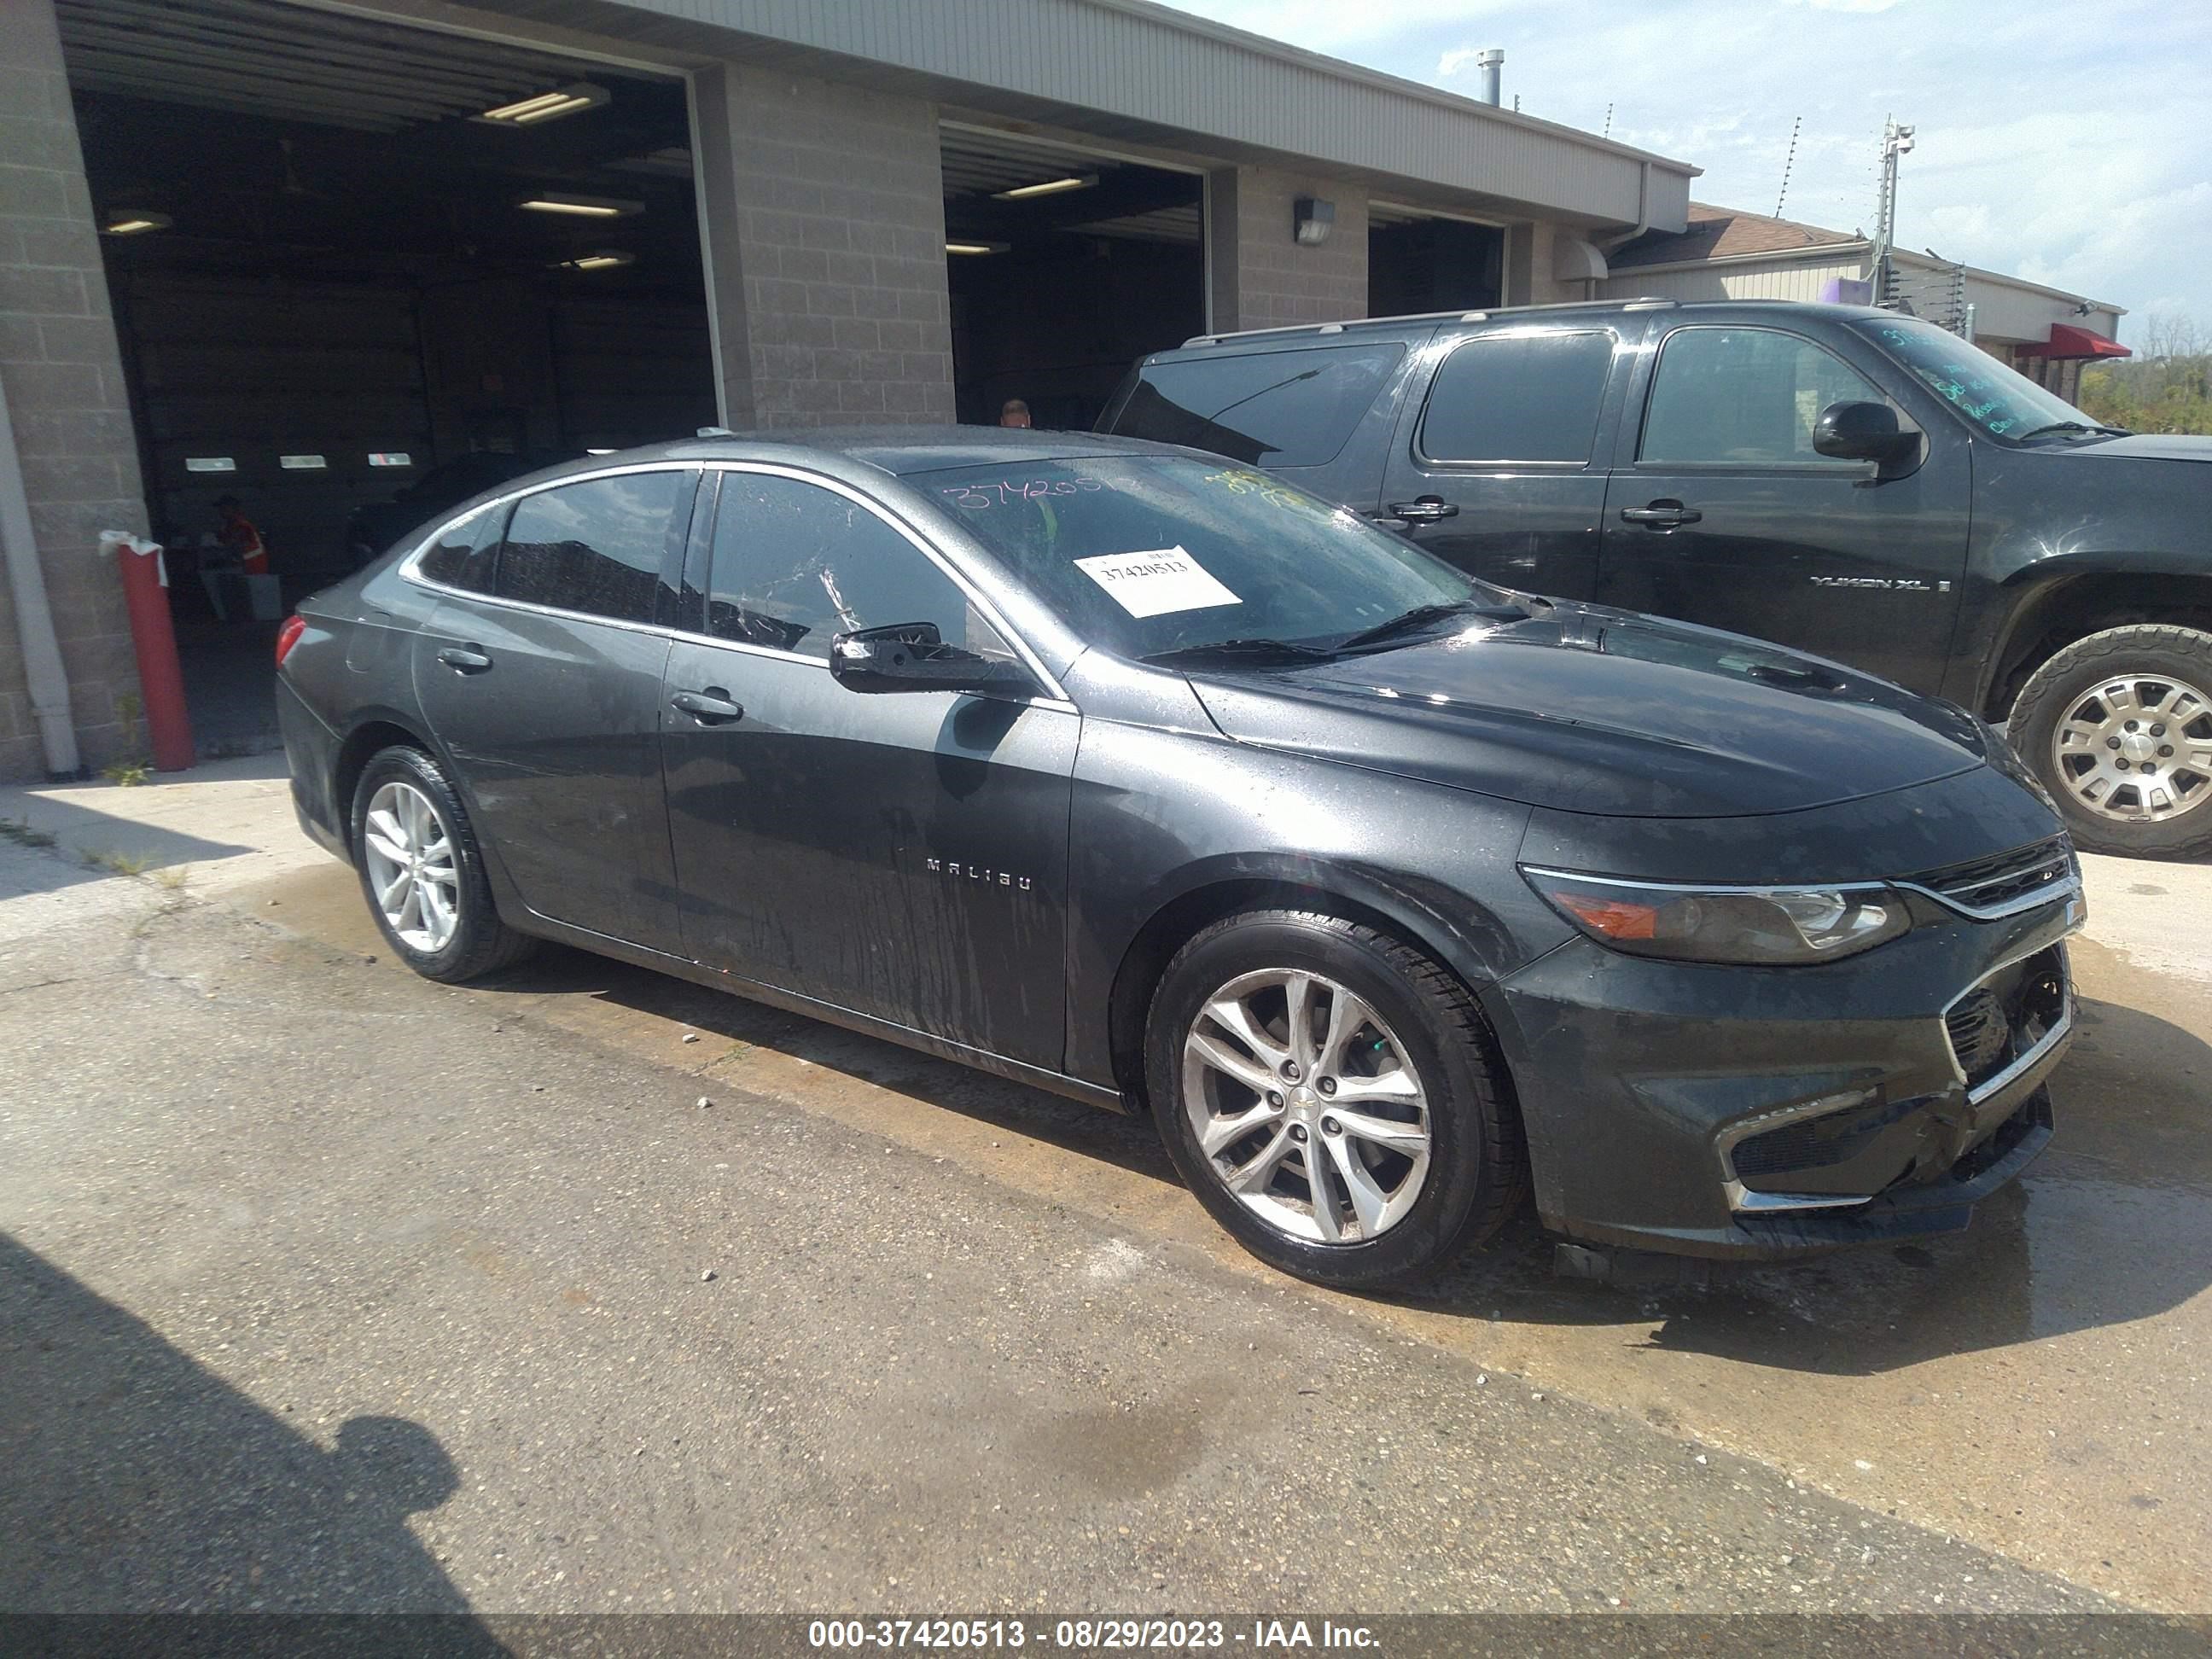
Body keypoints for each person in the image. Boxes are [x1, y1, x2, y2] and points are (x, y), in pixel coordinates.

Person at [212, 495, 269, 576]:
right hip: (243, 567)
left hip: (254, 567)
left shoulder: (243, 525)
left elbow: (236, 547)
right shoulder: (228, 527)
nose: (221, 511)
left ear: (234, 509)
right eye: (220, 508)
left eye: (224, 508)